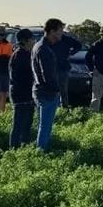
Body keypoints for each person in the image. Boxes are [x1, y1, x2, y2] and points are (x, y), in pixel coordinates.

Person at [32, 19, 64, 152]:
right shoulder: (43, 49)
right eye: (60, 31)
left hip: (40, 90)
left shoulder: (39, 46)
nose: (61, 34)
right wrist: (56, 91)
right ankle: (41, 152)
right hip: (47, 93)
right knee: (45, 126)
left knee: (42, 125)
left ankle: (41, 148)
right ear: (52, 31)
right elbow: (47, 75)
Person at [9, 28, 36, 148]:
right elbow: (18, 78)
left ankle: (25, 147)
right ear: (25, 41)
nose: (34, 41)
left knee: (27, 124)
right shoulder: (19, 55)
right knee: (18, 125)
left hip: (28, 94)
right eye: (31, 39)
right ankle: (13, 149)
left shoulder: (27, 54)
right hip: (20, 95)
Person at [48, 26, 82, 108]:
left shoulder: (67, 39)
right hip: (51, 69)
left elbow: (78, 45)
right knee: (52, 90)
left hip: (63, 68)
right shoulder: (50, 39)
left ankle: (64, 108)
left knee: (63, 90)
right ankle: (54, 108)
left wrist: (71, 53)